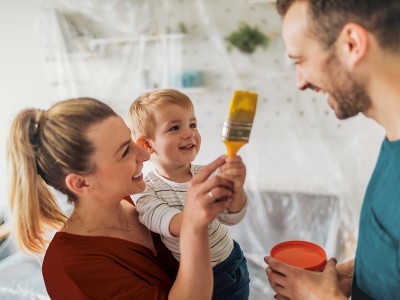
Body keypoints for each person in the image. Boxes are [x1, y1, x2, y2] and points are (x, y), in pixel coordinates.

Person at [7, 97, 237, 299]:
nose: (145, 154)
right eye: (125, 151)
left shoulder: (138, 199)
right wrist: (193, 227)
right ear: (81, 182)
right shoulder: (72, 265)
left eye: (130, 140)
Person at [265, 1, 400, 299]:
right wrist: (355, 274)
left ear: (352, 44)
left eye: (300, 61)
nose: (300, 82)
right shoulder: (393, 141)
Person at [128, 89, 250, 300]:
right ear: (147, 145)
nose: (189, 133)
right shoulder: (146, 191)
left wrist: (236, 189)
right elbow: (171, 224)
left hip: (234, 259)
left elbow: (232, 217)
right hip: (201, 278)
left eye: (192, 124)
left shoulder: (208, 174)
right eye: (175, 128)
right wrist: (201, 207)